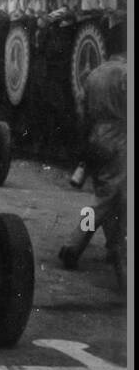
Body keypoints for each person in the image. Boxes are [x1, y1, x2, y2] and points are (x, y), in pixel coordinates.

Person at [59, 33, 126, 290]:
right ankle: (74, 245)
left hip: (96, 137)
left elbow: (82, 113)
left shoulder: (95, 74)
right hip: (120, 137)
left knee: (108, 196)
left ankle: (113, 246)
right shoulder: (125, 74)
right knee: (108, 200)